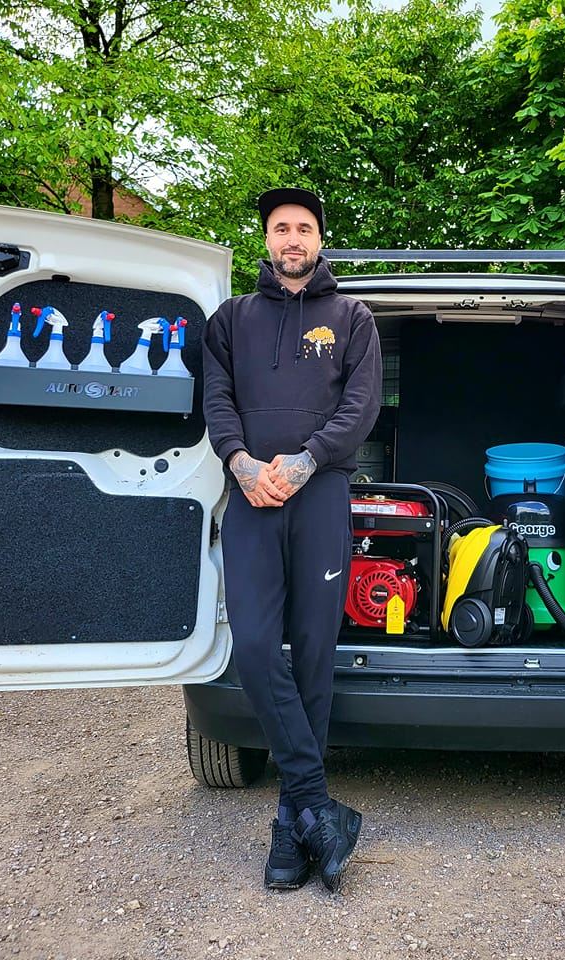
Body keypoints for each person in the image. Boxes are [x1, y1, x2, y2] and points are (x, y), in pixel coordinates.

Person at [201, 187, 382, 893]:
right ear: (267, 240)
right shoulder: (230, 321)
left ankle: (288, 820)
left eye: (303, 228)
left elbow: (360, 405)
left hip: (321, 493)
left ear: (319, 238)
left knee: (312, 650)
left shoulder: (351, 316)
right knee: (251, 645)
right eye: (281, 228)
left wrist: (305, 461)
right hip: (249, 497)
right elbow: (216, 399)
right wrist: (241, 463)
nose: (292, 238)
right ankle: (316, 802)